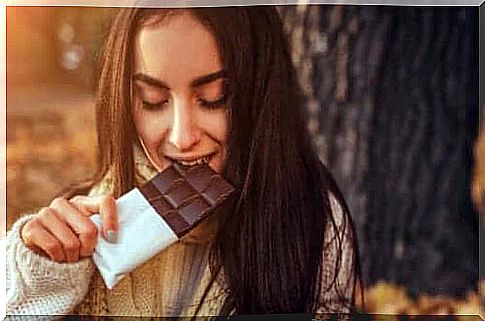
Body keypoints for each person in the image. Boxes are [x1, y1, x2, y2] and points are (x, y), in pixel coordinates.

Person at [7, 6, 361, 317]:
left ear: (261, 98)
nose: (182, 137)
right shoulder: (90, 219)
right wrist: (39, 278)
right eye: (154, 100)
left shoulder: (314, 228)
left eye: (213, 99)